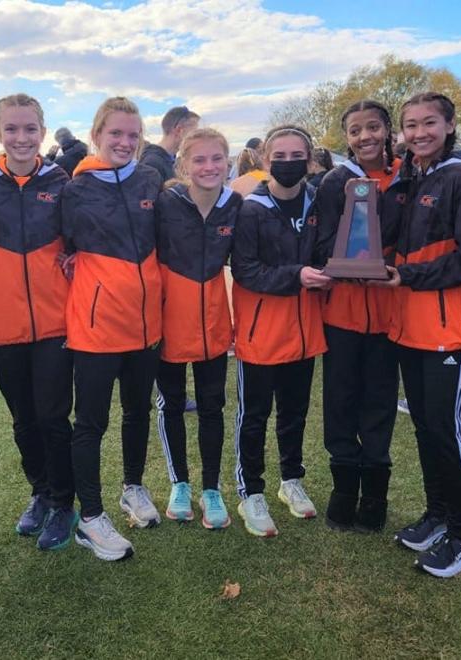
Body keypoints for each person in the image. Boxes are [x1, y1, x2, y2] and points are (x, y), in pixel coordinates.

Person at [370, 92, 461, 578]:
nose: (419, 132)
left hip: (448, 330)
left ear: (449, 124)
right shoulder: (414, 175)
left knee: (448, 433)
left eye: (428, 123)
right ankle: (438, 514)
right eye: (411, 125)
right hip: (410, 327)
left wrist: (411, 278)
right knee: (425, 429)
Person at [0, 94, 77, 551]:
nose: (20, 137)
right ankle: (40, 491)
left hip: (54, 323)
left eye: (29, 128)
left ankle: (64, 503)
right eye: (11, 129)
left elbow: (81, 236)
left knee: (53, 416)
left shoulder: (62, 180)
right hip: (0, 322)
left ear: (42, 132)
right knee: (23, 420)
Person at [61, 96, 163, 561]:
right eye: (116, 133)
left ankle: (133, 489)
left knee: (137, 412)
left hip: (146, 328)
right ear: (97, 134)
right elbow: (59, 245)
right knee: (91, 423)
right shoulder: (76, 188)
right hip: (97, 328)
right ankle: (90, 517)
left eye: (132, 134)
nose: (124, 142)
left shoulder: (150, 178)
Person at [231, 124, 331, 537]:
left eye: (297, 156)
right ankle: (249, 491)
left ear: (309, 160)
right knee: (254, 416)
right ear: (264, 160)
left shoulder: (318, 202)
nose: (288, 163)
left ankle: (291, 479)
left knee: (294, 412)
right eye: (280, 156)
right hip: (261, 332)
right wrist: (299, 275)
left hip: (305, 329)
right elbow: (247, 270)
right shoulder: (250, 208)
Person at [312, 100, 405, 533]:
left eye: (372, 127)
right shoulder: (335, 181)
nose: (364, 136)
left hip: (389, 312)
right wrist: (346, 265)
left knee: (380, 403)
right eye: (354, 130)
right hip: (343, 312)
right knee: (341, 401)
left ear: (387, 130)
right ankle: (344, 489)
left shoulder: (409, 177)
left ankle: (376, 495)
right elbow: (323, 242)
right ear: (346, 137)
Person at [155, 128, 241, 529]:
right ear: (183, 165)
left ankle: (211, 488)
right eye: (199, 160)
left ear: (228, 162)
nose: (209, 167)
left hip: (214, 325)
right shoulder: (164, 204)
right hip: (167, 324)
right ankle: (180, 484)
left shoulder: (235, 205)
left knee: (212, 407)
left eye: (216, 158)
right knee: (171, 405)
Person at [139, 105, 200, 184]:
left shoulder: (170, 162)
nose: (197, 139)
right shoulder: (152, 164)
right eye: (194, 133)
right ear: (179, 130)